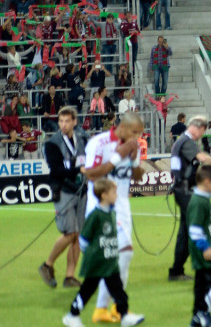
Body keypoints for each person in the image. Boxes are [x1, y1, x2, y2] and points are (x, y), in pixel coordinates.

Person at [81, 113, 144, 324]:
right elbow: (91, 174)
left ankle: (110, 309)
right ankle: (113, 308)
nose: (137, 137)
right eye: (134, 132)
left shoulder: (133, 146)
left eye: (139, 134)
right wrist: (117, 157)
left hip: (122, 206)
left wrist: (135, 159)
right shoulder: (99, 143)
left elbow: (136, 177)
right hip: (102, 208)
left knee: (120, 260)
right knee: (122, 255)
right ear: (122, 127)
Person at [60, 179, 144, 327]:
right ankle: (72, 315)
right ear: (104, 195)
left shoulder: (112, 213)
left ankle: (124, 315)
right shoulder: (95, 215)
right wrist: (92, 255)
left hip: (109, 261)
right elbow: (84, 239)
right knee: (87, 290)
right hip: (97, 262)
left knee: (118, 290)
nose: (116, 195)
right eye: (114, 192)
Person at [40, 106, 88, 289]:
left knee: (77, 236)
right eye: (61, 121)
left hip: (81, 191)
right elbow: (57, 171)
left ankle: (70, 276)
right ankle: (47, 265)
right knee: (70, 233)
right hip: (64, 191)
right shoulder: (52, 143)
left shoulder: (83, 139)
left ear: (74, 122)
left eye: (67, 121)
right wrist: (78, 170)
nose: (63, 124)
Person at [170, 116, 211, 282]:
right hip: (185, 191)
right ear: (198, 128)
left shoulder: (181, 142)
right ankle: (208, 266)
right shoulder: (187, 142)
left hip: (182, 190)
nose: (201, 135)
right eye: (202, 131)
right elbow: (203, 158)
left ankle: (177, 270)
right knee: (196, 226)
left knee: (186, 231)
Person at [188, 164, 211, 327]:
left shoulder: (203, 200)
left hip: (207, 250)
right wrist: (205, 247)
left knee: (201, 285)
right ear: (206, 181)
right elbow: (194, 228)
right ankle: (204, 312)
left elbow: (207, 222)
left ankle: (197, 317)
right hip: (205, 252)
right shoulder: (198, 202)